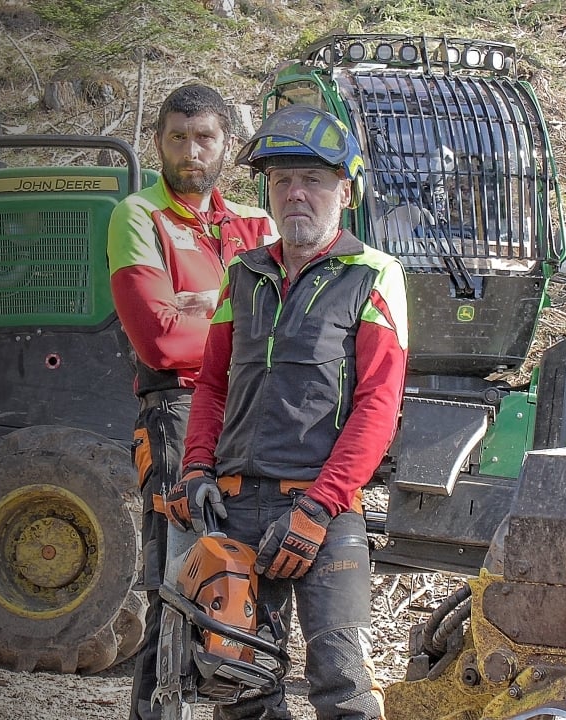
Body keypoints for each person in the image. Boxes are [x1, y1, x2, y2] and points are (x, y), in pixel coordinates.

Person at [167, 105, 408, 720]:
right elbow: (213, 385)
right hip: (238, 505)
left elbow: (378, 404)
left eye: (313, 179)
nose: (296, 192)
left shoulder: (374, 275)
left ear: (345, 190)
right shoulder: (242, 275)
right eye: (282, 180)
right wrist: (197, 467)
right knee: (239, 686)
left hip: (325, 512)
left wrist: (320, 506)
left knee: (341, 683)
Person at [107, 83, 278, 720]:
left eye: (204, 137)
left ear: (227, 145)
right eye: (176, 137)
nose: (190, 151)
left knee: (251, 581)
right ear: (158, 142)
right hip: (176, 414)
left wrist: (203, 307)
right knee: (181, 584)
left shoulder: (258, 224)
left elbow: (291, 328)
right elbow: (160, 342)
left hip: (255, 417)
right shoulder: (138, 217)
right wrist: (239, 325)